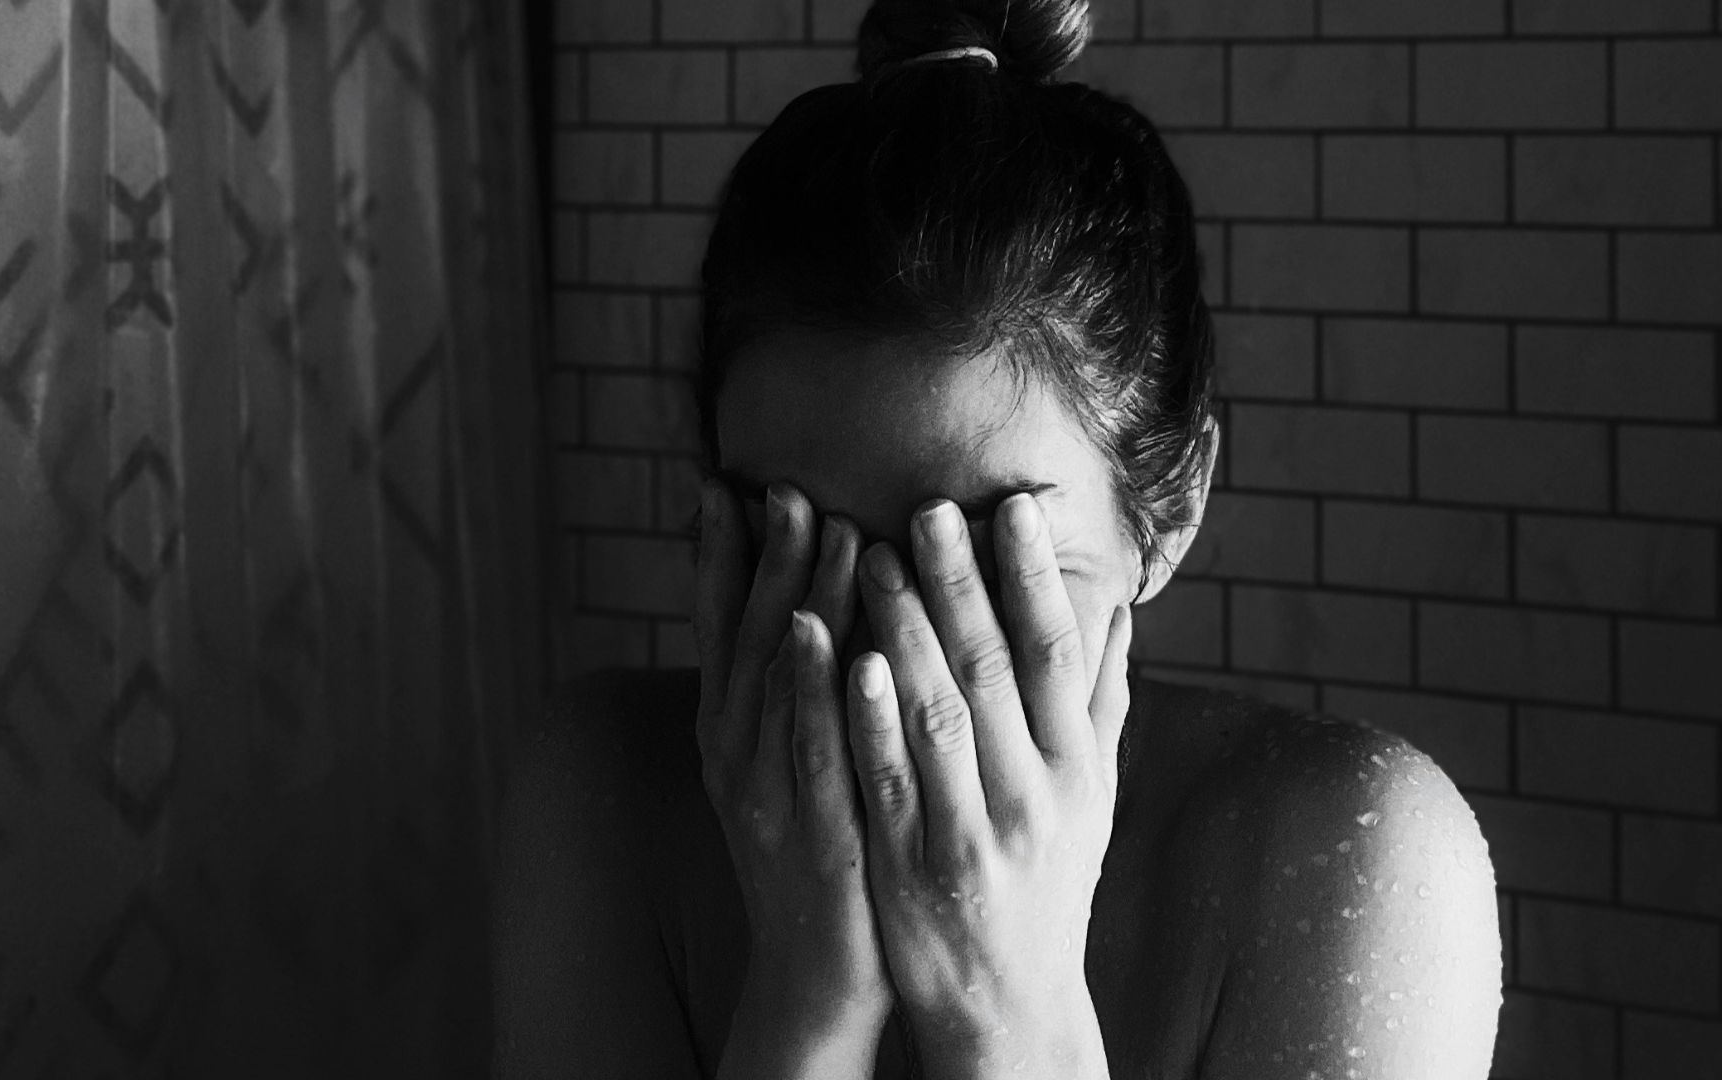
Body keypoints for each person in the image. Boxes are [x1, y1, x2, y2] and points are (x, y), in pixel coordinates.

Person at [495, 1, 1501, 1076]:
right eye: (798, 548)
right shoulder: (598, 797)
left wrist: (1001, 1011)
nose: (885, 672)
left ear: (1171, 510)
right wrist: (809, 999)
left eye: (976, 566)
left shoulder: (1352, 853)